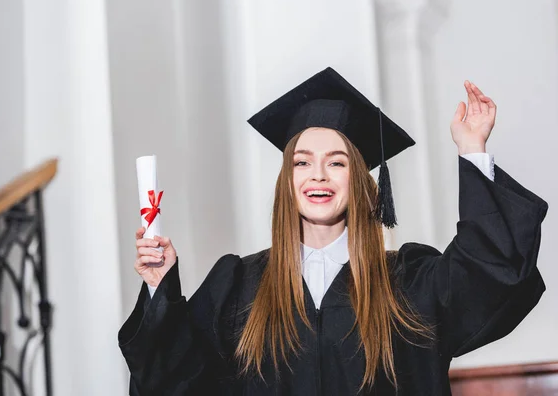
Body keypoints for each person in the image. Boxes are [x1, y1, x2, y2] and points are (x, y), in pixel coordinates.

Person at [118, 67, 548, 395]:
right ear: (287, 180)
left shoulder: (409, 283)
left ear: (360, 182)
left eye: (337, 162)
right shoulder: (237, 287)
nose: (317, 175)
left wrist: (472, 150)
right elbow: (172, 380)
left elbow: (493, 273)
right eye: (302, 162)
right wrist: (161, 290)